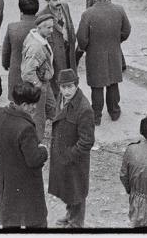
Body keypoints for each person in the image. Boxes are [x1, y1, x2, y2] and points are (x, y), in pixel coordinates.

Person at [0, 82, 49, 230]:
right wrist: (43, 151)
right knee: (36, 220)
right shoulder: (25, 128)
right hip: (27, 182)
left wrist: (10, 156)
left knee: (10, 219)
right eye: (32, 104)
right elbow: (34, 160)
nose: (34, 107)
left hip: (7, 179)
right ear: (23, 104)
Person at [75, 0, 132, 126]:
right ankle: (114, 112)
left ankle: (96, 116)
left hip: (95, 55)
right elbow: (127, 30)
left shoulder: (88, 14)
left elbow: (81, 38)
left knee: (97, 86)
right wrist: (116, 41)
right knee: (113, 83)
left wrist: (87, 47)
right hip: (114, 52)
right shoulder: (119, 9)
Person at [47, 69, 95, 228]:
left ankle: (76, 223)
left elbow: (87, 141)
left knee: (77, 191)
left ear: (76, 85)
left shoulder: (84, 108)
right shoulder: (61, 98)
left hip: (75, 160)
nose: (66, 91)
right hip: (63, 154)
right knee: (68, 188)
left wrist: (70, 155)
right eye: (63, 87)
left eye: (70, 87)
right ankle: (70, 215)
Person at [21, 11, 57, 138]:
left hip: (44, 82)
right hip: (38, 85)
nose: (52, 30)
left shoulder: (37, 36)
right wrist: (39, 86)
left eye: (52, 27)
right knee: (39, 117)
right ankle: (37, 143)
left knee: (53, 108)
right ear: (39, 27)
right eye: (49, 27)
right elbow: (27, 73)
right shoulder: (36, 47)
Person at [40, 0, 78, 94]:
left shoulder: (65, 6)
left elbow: (70, 23)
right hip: (56, 58)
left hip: (68, 52)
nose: (59, 2)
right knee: (58, 87)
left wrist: (72, 38)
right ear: (47, 1)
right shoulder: (41, 16)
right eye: (55, 0)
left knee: (71, 81)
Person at [2, 0, 40, 98]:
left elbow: (6, 51)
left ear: (21, 10)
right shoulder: (43, 27)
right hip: (37, 75)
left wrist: (5, 64)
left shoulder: (12, 27)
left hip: (17, 73)